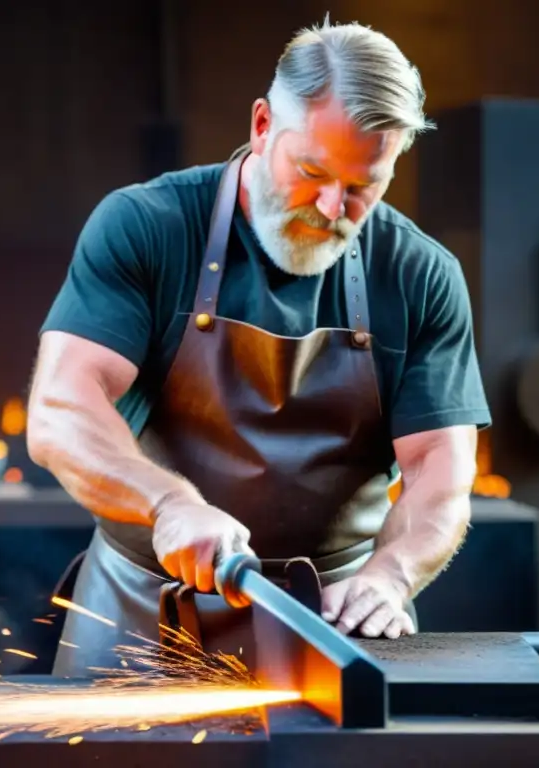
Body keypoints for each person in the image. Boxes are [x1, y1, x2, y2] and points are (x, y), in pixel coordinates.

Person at [27, 18, 491, 676]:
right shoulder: (148, 228)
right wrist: (169, 505)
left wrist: (390, 576)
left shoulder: (421, 275)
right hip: (138, 612)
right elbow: (60, 411)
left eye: (365, 186)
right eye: (311, 170)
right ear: (262, 124)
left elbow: (441, 474)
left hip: (332, 628)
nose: (333, 207)